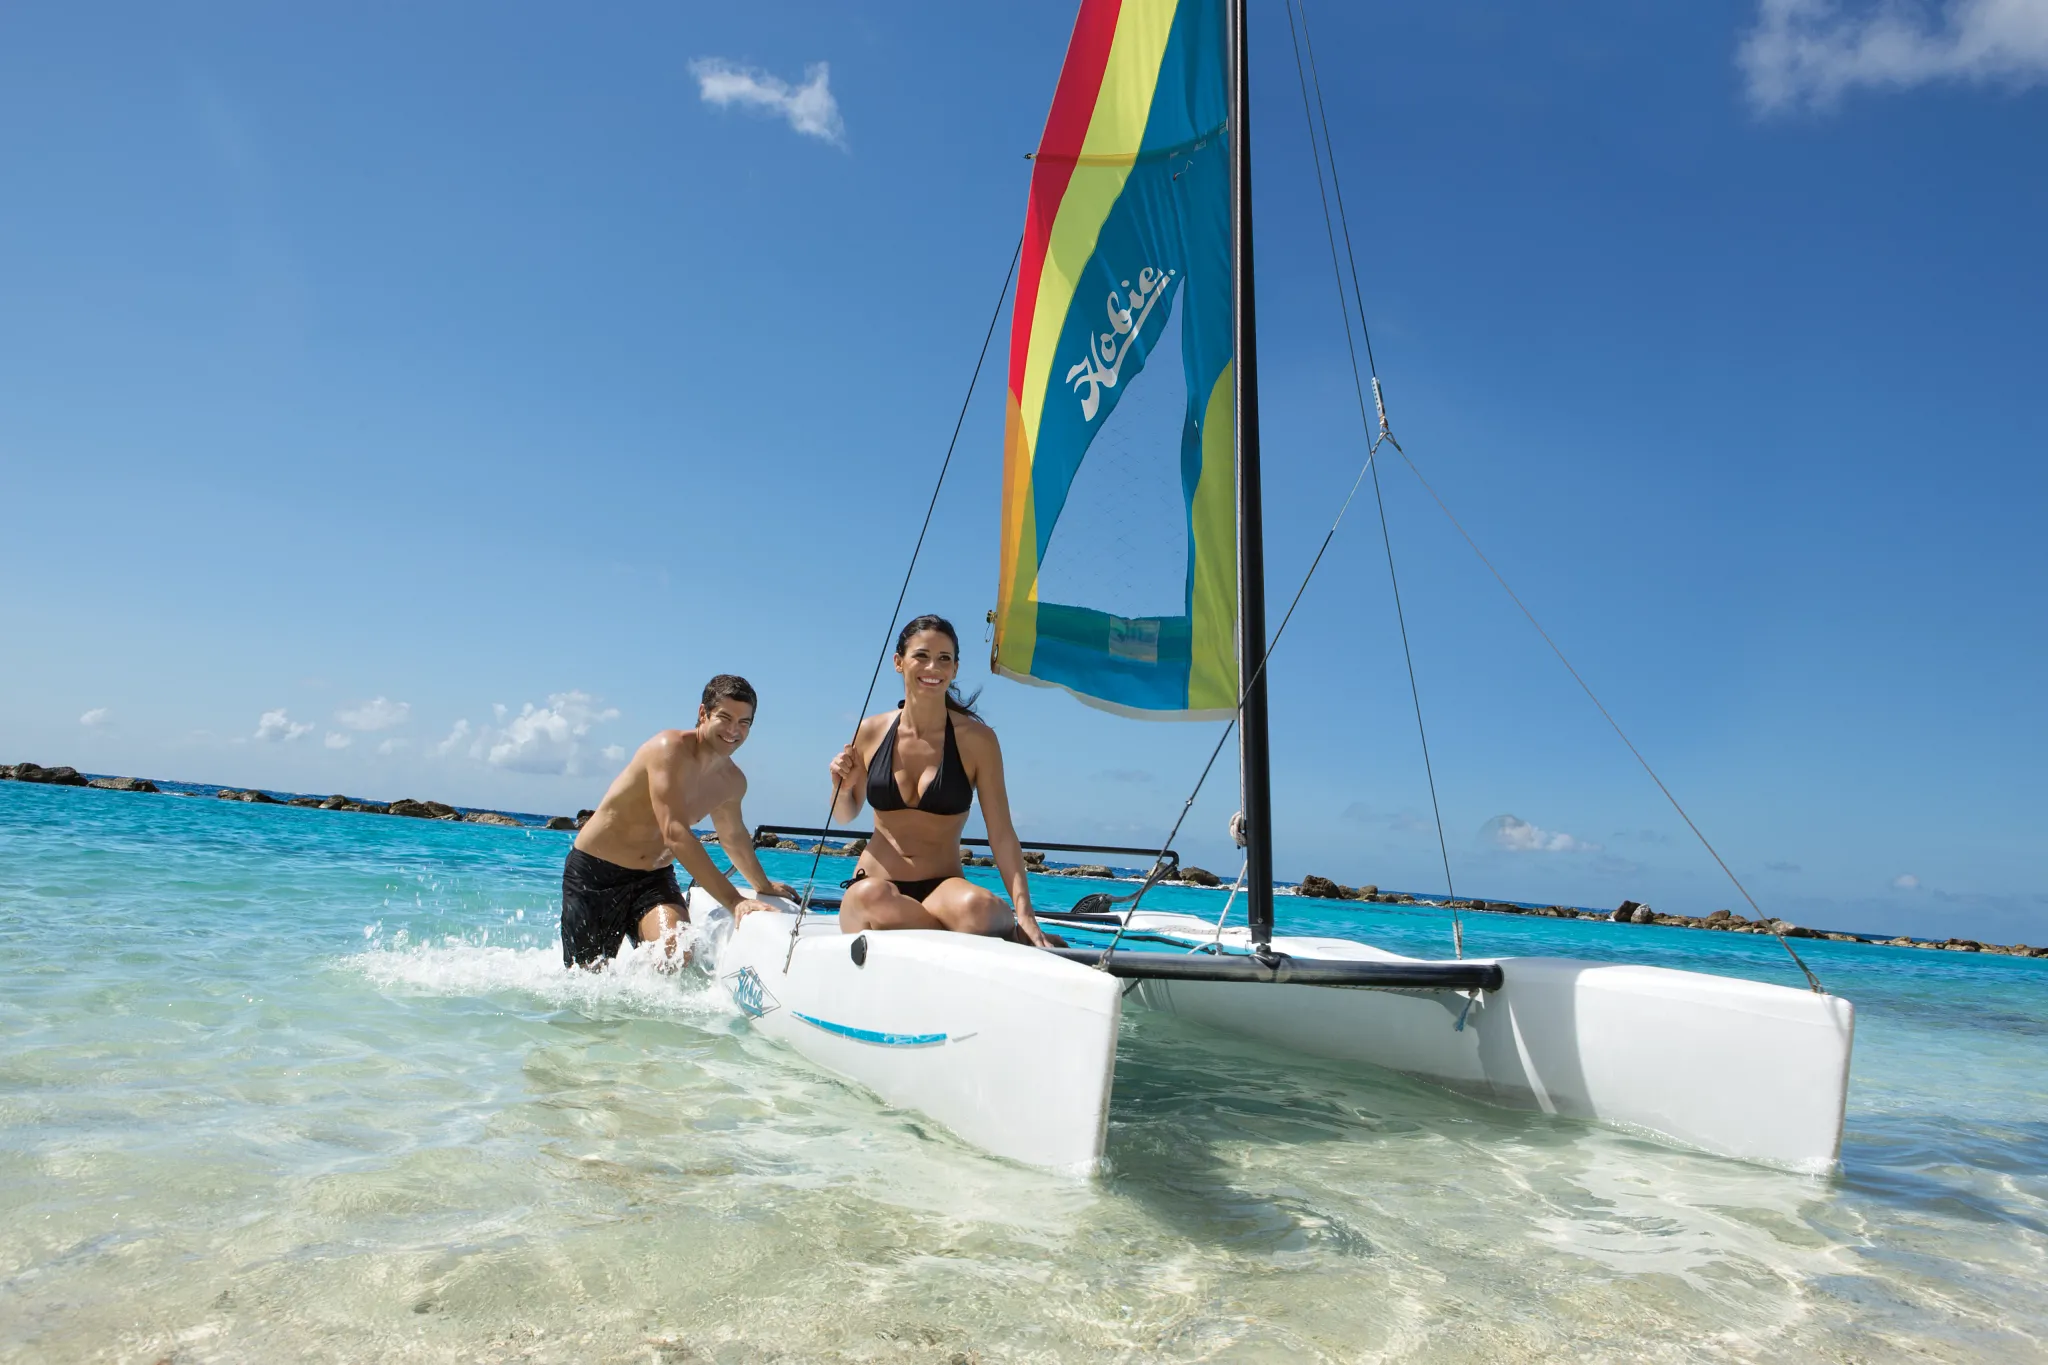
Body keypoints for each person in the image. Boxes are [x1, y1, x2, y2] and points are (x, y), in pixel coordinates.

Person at [827, 615, 1053, 946]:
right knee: (870, 897)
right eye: (921, 655)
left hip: (943, 889)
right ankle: (957, 939)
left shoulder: (977, 740)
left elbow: (1002, 834)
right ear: (898, 662)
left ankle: (991, 933)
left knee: (980, 908)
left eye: (944, 659)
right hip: (876, 887)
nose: (933, 667)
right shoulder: (870, 731)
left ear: (955, 669)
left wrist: (1027, 915)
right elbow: (845, 814)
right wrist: (841, 786)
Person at [561, 674, 796, 969]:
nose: (734, 730)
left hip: (653, 878)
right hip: (595, 873)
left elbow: (733, 836)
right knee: (586, 981)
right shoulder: (667, 749)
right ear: (703, 714)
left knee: (675, 953)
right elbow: (675, 833)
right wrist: (734, 900)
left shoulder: (732, 782)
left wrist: (762, 885)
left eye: (744, 722)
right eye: (725, 718)